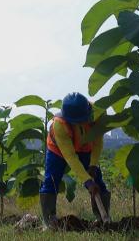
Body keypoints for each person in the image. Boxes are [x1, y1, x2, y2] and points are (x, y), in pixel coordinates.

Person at [39, 92, 110, 229]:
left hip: (85, 148)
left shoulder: (100, 113)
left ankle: (103, 218)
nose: (81, 123)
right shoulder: (59, 125)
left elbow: (98, 142)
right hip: (58, 150)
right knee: (51, 181)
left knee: (98, 181)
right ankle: (49, 222)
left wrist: (93, 165)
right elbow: (70, 156)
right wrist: (87, 181)